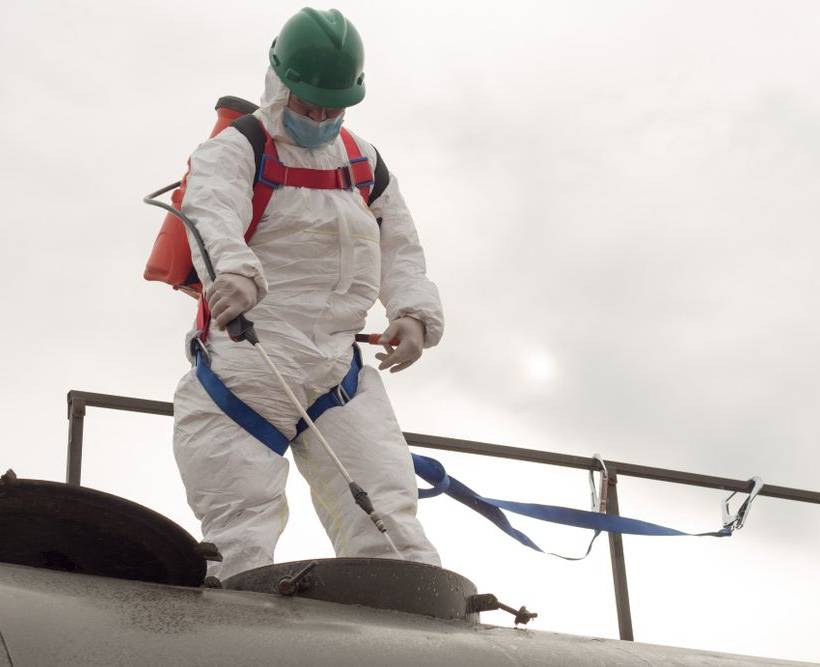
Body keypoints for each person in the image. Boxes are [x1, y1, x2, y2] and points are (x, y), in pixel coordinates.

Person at [172, 7, 444, 581]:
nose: (320, 115)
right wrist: (236, 273)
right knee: (238, 539)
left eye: (332, 105)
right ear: (282, 83)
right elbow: (211, 212)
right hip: (246, 366)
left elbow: (401, 245)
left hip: (336, 373)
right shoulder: (236, 149)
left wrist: (414, 315)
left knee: (392, 526)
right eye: (309, 103)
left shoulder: (364, 163)